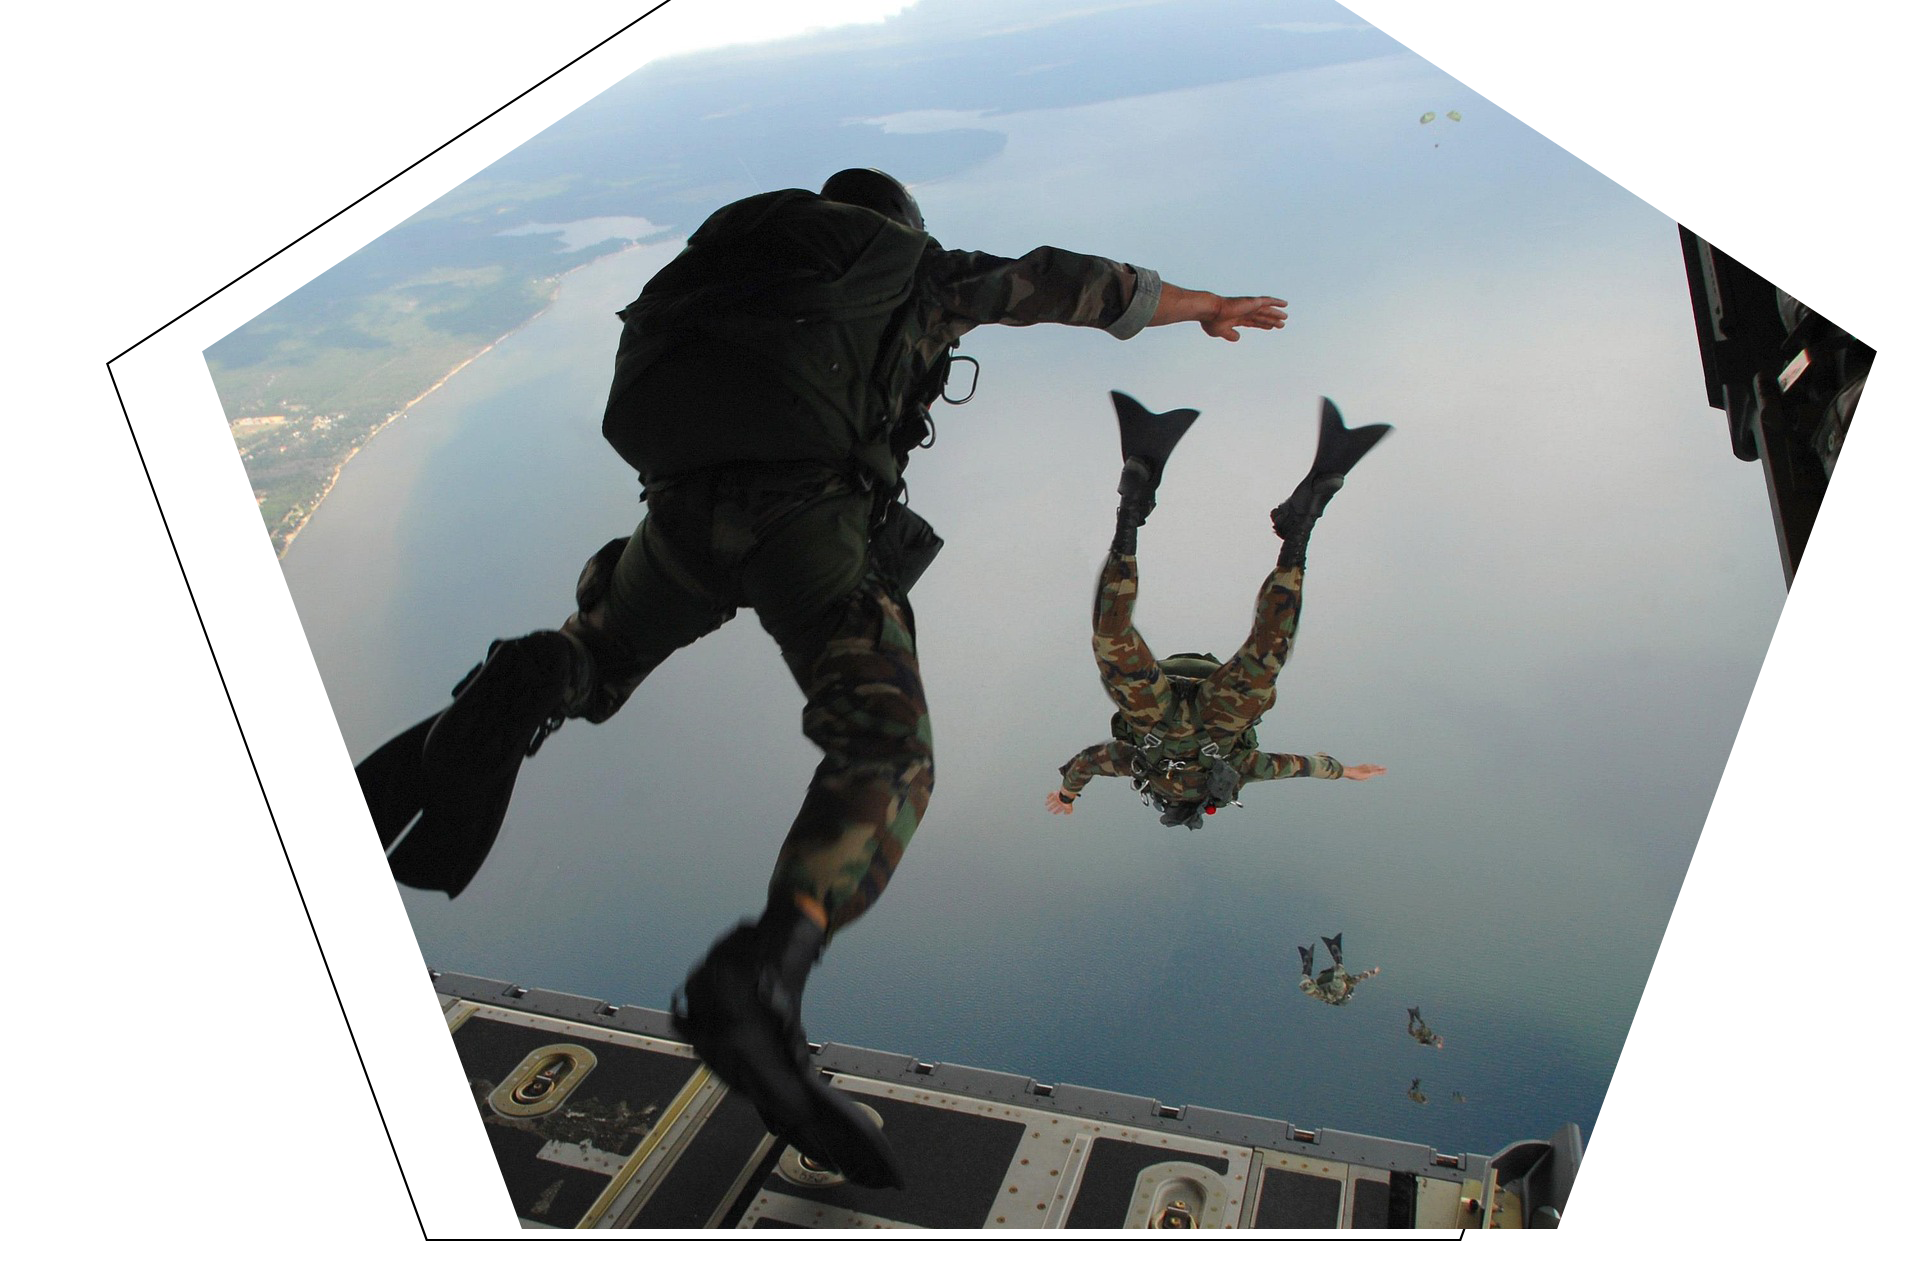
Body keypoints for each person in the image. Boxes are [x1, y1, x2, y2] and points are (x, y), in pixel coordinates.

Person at [356, 169, 1289, 1189]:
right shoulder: (921, 273)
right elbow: (1074, 283)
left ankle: (541, 672)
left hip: (678, 517)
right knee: (886, 751)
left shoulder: (731, 272)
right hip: (809, 525)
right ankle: (764, 974)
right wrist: (1207, 305)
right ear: (898, 227)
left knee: (602, 651)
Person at [1043, 394, 1387, 829]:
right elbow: (1087, 763)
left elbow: (1087, 764)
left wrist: (1068, 793)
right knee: (1259, 652)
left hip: (1168, 714)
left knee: (1264, 652)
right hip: (1210, 720)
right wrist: (1068, 793)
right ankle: (1298, 522)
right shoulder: (1217, 770)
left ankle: (1138, 503)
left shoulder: (1144, 763)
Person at [1297, 933, 1379, 1006]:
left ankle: (1308, 971)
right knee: (1339, 982)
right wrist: (1372, 972)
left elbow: (1315, 992)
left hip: (1327, 986)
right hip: (1331, 983)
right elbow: (1358, 978)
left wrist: (1306, 980)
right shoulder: (1348, 984)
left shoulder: (1327, 995)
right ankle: (1337, 961)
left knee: (1310, 986)